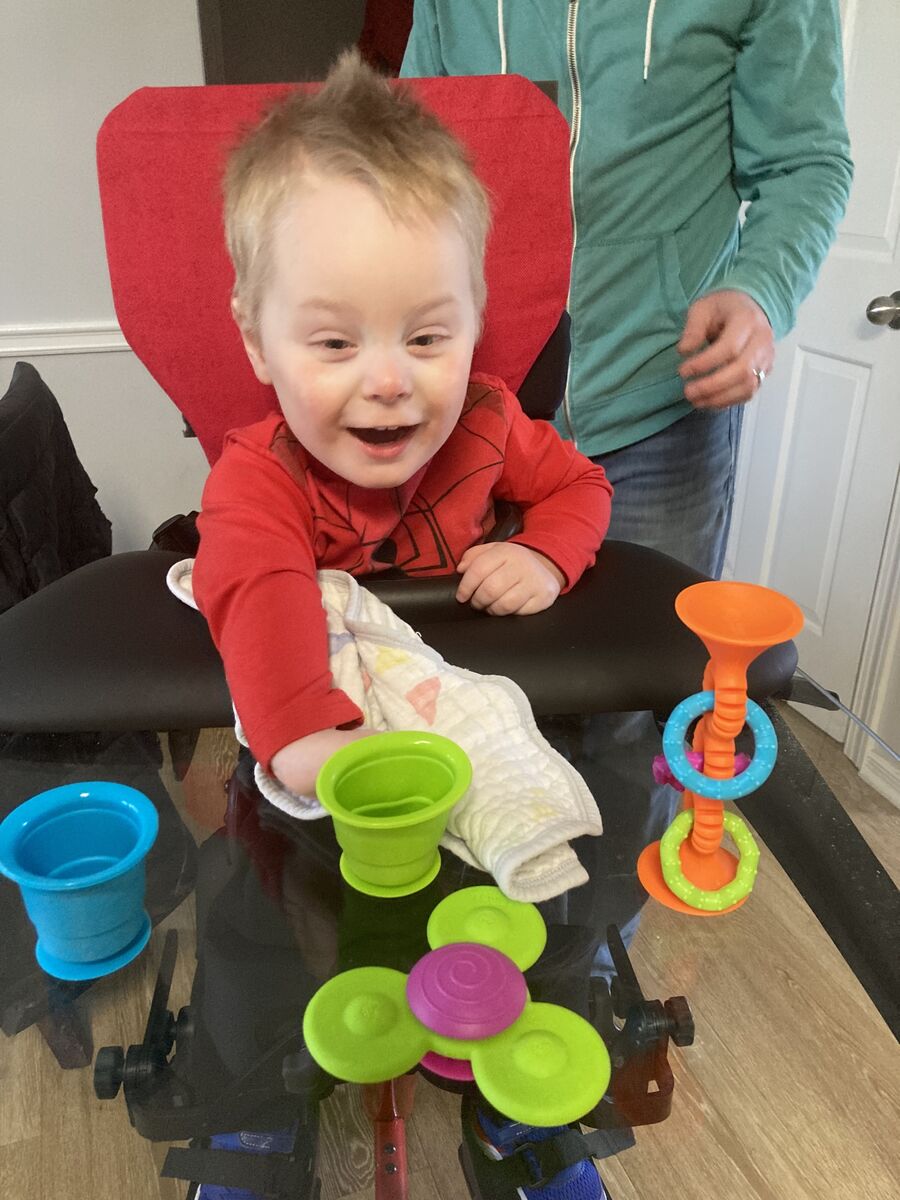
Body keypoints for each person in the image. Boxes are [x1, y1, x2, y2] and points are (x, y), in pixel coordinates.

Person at [192, 50, 613, 1199]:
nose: (389, 382)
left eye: (427, 337)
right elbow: (259, 594)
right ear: (255, 337)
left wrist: (544, 548)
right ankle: (252, 1119)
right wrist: (306, 739)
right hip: (326, 773)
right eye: (333, 344)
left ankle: (520, 1112)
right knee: (252, 928)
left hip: (464, 750)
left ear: (475, 326)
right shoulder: (258, 480)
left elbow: (583, 491)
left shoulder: (490, 426)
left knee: (553, 910)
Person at [401, 0, 853, 578]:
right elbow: (410, 163)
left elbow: (806, 162)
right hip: (477, 414)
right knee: (462, 664)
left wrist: (761, 292)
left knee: (652, 661)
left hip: (657, 415)